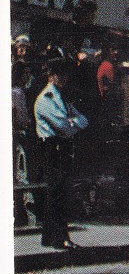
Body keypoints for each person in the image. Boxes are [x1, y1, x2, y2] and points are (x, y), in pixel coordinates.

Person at [33, 56, 87, 250]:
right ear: (50, 76)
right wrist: (72, 122)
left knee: (58, 193)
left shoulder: (62, 97)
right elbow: (65, 126)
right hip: (52, 147)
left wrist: (73, 122)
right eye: (58, 74)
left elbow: (83, 119)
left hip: (61, 148)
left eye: (65, 74)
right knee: (56, 194)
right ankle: (59, 237)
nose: (63, 78)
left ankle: (50, 237)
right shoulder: (45, 98)